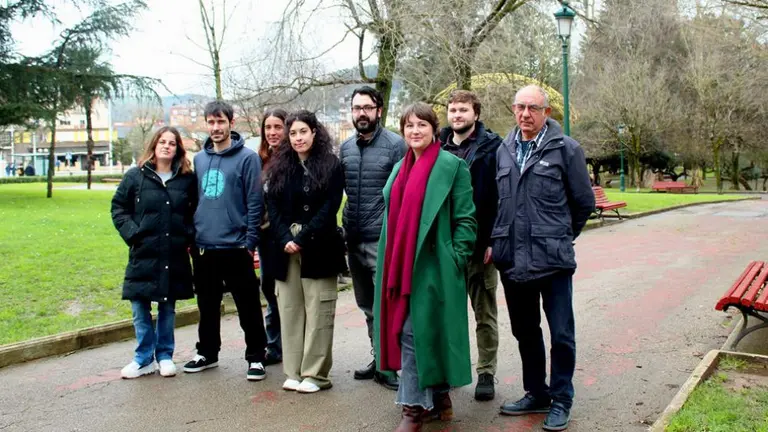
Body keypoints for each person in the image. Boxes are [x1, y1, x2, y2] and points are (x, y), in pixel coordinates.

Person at [493, 85, 594, 431]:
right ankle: (536, 391)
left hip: (552, 260)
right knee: (525, 331)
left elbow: (583, 203)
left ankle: (562, 397)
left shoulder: (566, 149)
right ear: (513, 109)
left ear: (547, 112)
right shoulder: (503, 150)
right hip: (513, 261)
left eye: (533, 108)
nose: (526, 114)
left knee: (561, 333)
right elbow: (498, 202)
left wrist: (560, 236)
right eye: (520, 107)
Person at [374, 103, 477, 431]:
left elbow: (466, 219)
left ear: (434, 129)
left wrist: (455, 257)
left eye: (421, 125)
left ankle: (412, 409)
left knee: (416, 332)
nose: (414, 131)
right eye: (408, 126)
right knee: (416, 331)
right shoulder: (398, 169)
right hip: (400, 266)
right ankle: (440, 398)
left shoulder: (452, 166)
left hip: (436, 267)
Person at [183, 101, 270, 382]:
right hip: (205, 246)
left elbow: (255, 203)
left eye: (221, 122)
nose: (216, 128)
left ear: (231, 123)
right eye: (211, 122)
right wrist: (194, 238)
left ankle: (256, 356)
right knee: (207, 306)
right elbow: (196, 199)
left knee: (248, 306)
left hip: (236, 246)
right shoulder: (199, 159)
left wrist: (250, 242)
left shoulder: (247, 158)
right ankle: (207, 352)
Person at [266, 110, 346, 394]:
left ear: (314, 132)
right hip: (284, 250)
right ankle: (294, 371)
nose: (298, 138)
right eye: (293, 133)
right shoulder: (279, 166)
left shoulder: (332, 165)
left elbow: (330, 207)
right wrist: (285, 237)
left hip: (319, 248)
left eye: (303, 131)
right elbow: (272, 206)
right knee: (289, 310)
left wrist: (303, 237)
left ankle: (316, 374)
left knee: (319, 311)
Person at [110, 126, 197, 379]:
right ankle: (143, 357)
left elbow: (194, 211)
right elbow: (118, 207)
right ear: (154, 145)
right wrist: (133, 233)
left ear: (178, 148)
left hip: (173, 253)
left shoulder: (186, 180)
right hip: (144, 252)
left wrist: (186, 233)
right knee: (140, 307)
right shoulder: (135, 177)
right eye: (162, 141)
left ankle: (165, 355)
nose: (167, 146)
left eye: (172, 143)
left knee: (167, 308)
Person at [438, 90, 503, 401]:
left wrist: (494, 239)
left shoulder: (493, 148)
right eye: (452, 110)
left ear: (476, 113)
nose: (457, 115)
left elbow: (503, 196)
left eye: (463, 109)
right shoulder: (437, 146)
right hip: (444, 246)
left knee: (484, 313)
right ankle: (450, 370)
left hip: (480, 247)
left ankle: (486, 371)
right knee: (447, 313)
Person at [339, 86, 405, 390]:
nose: (361, 113)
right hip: (353, 238)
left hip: (383, 240)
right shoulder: (346, 148)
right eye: (356, 108)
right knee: (367, 304)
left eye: (367, 107)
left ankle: (391, 364)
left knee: (387, 305)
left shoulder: (396, 146)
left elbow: (404, 195)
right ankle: (378, 358)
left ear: (379, 110)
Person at [256, 108, 288, 366]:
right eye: (268, 127)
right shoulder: (259, 160)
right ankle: (273, 345)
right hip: (266, 236)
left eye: (278, 126)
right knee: (270, 290)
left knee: (291, 291)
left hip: (290, 236)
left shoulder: (295, 159)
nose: (273, 132)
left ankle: (295, 344)